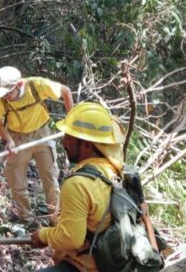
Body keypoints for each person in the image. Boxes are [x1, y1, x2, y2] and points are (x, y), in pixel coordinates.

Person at [30, 102, 126, 272]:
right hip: (115, 262)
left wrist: (43, 235)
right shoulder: (114, 171)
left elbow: (71, 238)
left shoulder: (78, 184)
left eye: (69, 137)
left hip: (86, 266)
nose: (63, 142)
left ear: (88, 145)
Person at [0, 66, 74, 224]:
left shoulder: (36, 85)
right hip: (17, 136)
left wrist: (71, 122)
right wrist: (9, 140)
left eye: (8, 93)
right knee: (16, 180)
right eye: (3, 94)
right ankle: (26, 219)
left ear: (19, 84)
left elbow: (66, 91)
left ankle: (55, 220)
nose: (5, 97)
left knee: (50, 178)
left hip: (41, 133)